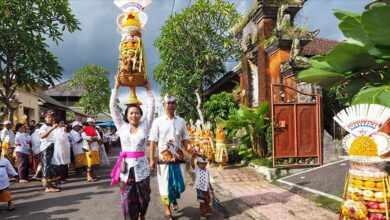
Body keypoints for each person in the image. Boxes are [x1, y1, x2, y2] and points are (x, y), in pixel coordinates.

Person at [110, 74, 154, 220]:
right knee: (127, 201)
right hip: (125, 169)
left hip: (142, 168)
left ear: (140, 115)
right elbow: (113, 107)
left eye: (136, 113)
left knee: (145, 198)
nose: (134, 115)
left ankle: (142, 214)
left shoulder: (145, 127)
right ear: (126, 115)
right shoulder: (121, 127)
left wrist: (148, 89)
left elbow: (152, 108)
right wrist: (116, 87)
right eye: (131, 113)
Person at [149, 95, 189, 220]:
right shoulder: (158, 121)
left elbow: (185, 139)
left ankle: (173, 199)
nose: (170, 105)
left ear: (176, 105)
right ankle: (168, 210)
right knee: (165, 185)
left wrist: (191, 150)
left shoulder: (181, 121)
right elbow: (153, 141)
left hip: (178, 158)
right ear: (164, 105)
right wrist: (151, 159)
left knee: (180, 183)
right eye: (168, 103)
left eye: (173, 103)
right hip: (164, 159)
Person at [39, 110, 61, 192]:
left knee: (54, 166)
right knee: (47, 166)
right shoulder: (44, 127)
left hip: (54, 147)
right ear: (45, 118)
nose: (50, 118)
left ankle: (52, 184)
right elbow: (42, 136)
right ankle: (47, 186)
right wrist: (52, 128)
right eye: (48, 117)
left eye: (52, 116)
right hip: (46, 148)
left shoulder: (54, 126)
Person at [190, 153, 213, 219]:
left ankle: (207, 210)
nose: (202, 165)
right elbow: (192, 164)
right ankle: (202, 214)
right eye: (201, 163)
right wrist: (192, 158)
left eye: (204, 163)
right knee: (202, 202)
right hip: (200, 189)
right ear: (197, 164)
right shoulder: (197, 170)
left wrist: (210, 187)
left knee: (207, 201)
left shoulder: (207, 171)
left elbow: (208, 180)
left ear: (206, 164)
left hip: (206, 188)